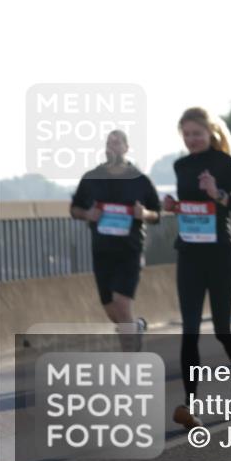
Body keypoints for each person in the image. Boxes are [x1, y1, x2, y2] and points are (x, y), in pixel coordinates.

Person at [163, 108, 231, 429]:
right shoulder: (181, 166)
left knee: (221, 328)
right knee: (189, 330)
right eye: (186, 134)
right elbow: (190, 206)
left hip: (220, 254)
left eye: (197, 133)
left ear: (210, 132)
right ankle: (190, 405)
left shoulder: (223, 163)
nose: (191, 140)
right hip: (190, 253)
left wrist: (219, 194)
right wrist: (173, 206)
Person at [70, 130, 160, 349]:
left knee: (121, 305)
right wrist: (87, 214)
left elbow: (156, 214)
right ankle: (136, 327)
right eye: (109, 143)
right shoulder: (92, 178)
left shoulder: (140, 180)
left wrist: (144, 214)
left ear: (126, 148)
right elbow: (74, 209)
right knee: (113, 312)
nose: (112, 147)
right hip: (102, 251)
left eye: (117, 143)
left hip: (130, 250)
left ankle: (130, 358)